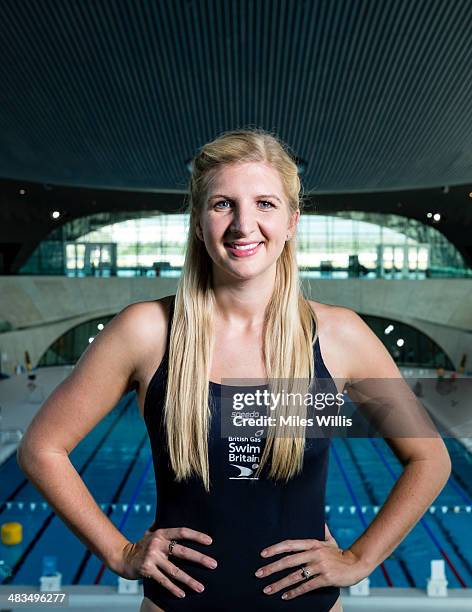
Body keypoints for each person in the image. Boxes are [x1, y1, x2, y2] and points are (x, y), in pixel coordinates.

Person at [17, 129, 452, 612]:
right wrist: (119, 552)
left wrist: (359, 559)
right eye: (223, 204)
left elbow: (431, 459)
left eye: (265, 203)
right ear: (198, 223)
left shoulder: (337, 336)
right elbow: (42, 449)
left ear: (292, 221)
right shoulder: (148, 331)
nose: (244, 225)